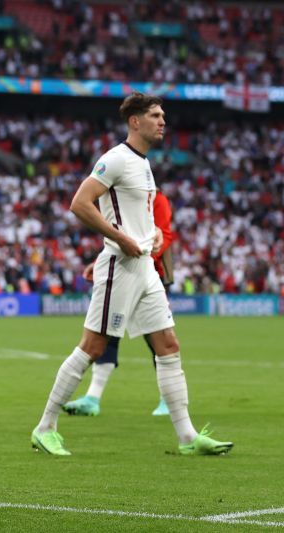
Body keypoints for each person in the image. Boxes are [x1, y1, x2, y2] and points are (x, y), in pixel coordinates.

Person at [30, 93, 232, 456]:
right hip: (121, 268)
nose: (162, 121)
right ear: (135, 122)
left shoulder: (144, 164)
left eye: (163, 115)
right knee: (92, 347)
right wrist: (120, 239)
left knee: (168, 345)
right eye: (155, 115)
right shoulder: (116, 159)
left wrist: (153, 234)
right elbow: (80, 203)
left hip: (145, 268)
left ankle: (187, 437)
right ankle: (45, 427)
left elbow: (136, 217)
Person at [63, 187, 174, 417]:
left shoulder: (157, 199)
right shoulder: (126, 200)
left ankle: (168, 400)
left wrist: (143, 259)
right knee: (107, 336)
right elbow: (119, 237)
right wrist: (101, 263)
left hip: (148, 274)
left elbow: (163, 235)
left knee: (158, 339)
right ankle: (93, 398)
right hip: (123, 272)